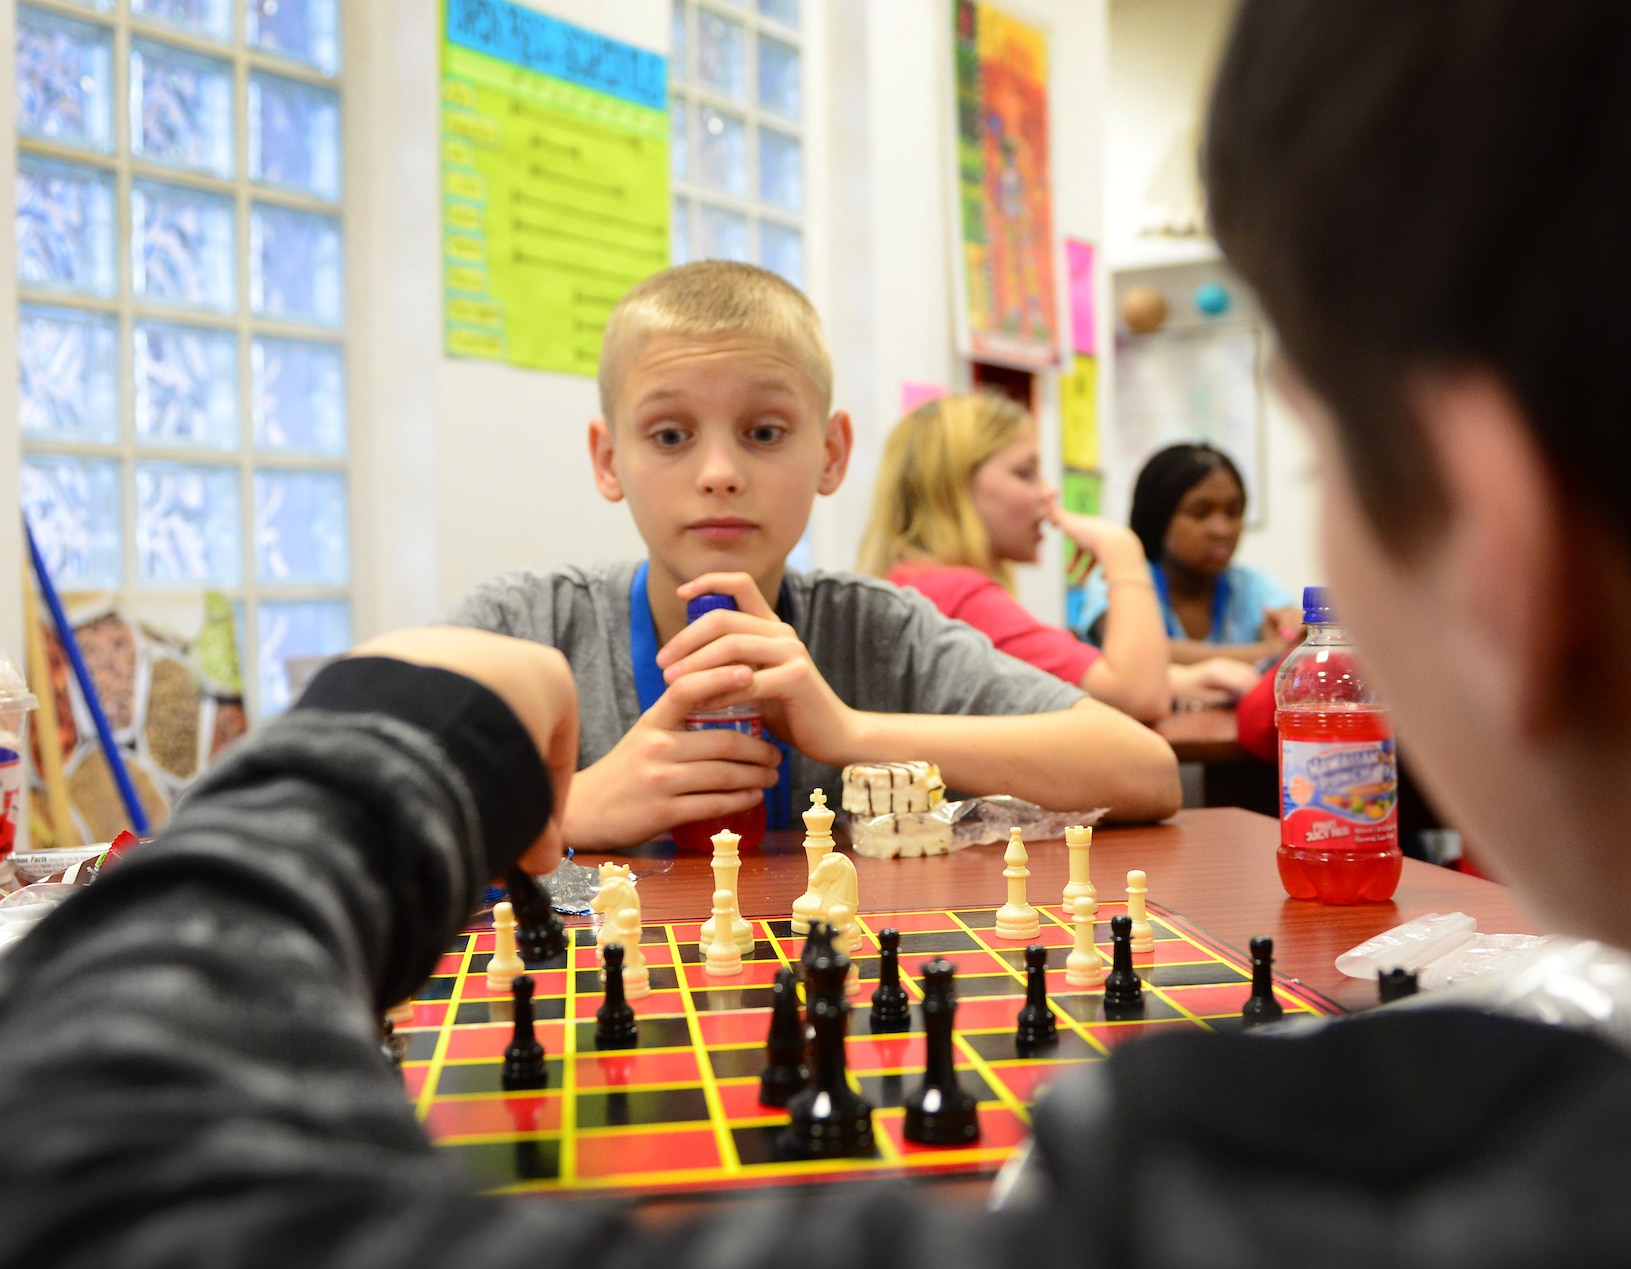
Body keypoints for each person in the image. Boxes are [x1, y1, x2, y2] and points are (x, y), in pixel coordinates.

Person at [5, 1, 1631, 1269]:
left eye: (1312, 456)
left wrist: (397, 754)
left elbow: (77, 1267)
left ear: (1492, 554)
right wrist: (581, 804)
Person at [447, 264, 1179, 848]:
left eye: (764, 432)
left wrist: (850, 730)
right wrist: (564, 813)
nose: (719, 472)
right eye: (670, 436)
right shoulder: (524, 625)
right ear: (609, 460)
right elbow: (353, 809)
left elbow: (1146, 771)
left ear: (830, 454)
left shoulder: (879, 631)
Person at [857, 393, 1258, 721]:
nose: (1047, 493)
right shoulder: (957, 594)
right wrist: (1122, 550)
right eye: (1025, 473)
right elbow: (1139, 698)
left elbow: (1055, 678)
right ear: (955, 488)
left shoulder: (918, 581)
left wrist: (1177, 680)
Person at [1074, 443, 1300, 666]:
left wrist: (1295, 628)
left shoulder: (1250, 585)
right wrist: (1267, 652)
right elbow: (1137, 653)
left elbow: (1291, 632)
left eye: (1233, 512)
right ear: (1158, 519)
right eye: (1200, 513)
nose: (1222, 530)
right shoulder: (1118, 578)